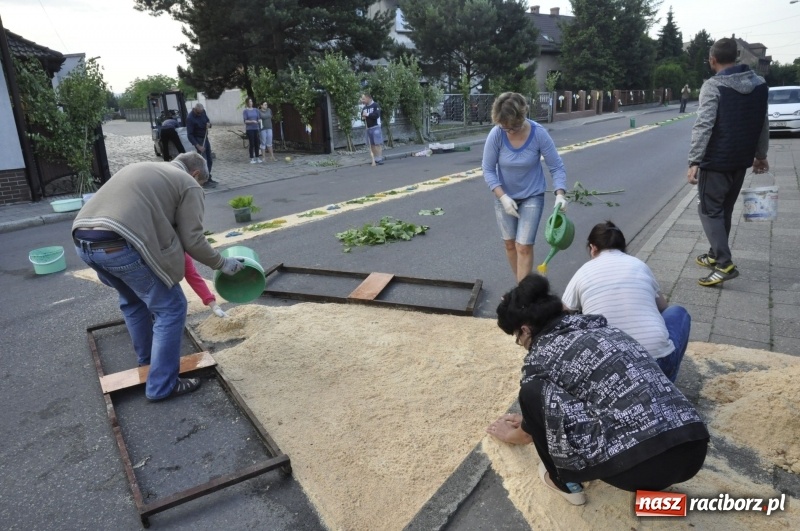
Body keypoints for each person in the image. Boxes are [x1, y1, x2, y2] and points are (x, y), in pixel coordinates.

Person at [486, 274, 709, 506]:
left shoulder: (539, 360)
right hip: (693, 447)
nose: (520, 343)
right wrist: (531, 420)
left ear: (524, 329)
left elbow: (543, 404)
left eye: (517, 337)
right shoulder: (609, 331)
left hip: (640, 470)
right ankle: (666, 503)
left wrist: (519, 433)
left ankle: (564, 484)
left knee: (531, 391)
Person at [72, 152, 245, 401]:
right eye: (202, 183)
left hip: (83, 241)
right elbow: (193, 239)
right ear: (196, 174)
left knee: (134, 302)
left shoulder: (149, 169)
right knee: (172, 307)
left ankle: (148, 364)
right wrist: (222, 263)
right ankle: (162, 386)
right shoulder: (187, 183)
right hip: (119, 244)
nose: (200, 188)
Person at [561, 221, 690, 382]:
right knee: (678, 312)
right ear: (623, 246)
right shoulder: (639, 265)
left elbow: (564, 314)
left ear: (593, 248)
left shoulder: (583, 272)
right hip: (656, 362)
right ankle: (666, 386)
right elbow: (664, 308)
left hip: (608, 370)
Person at [688, 37, 769, 287]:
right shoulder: (759, 84)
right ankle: (714, 254)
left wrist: (694, 160)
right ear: (737, 58)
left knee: (709, 211)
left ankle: (724, 264)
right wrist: (761, 155)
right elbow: (762, 122)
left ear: (713, 60)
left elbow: (704, 125)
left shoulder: (713, 86)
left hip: (716, 162)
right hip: (740, 160)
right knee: (724, 210)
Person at [482, 92, 568, 283]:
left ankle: (523, 297)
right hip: (504, 196)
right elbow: (488, 169)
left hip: (532, 196)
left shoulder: (538, 134)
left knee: (523, 246)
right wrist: (502, 197)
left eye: (513, 127)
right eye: (505, 128)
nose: (509, 131)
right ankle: (521, 287)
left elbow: (556, 166)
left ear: (521, 118)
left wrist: (560, 193)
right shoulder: (497, 134)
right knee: (510, 245)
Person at [184, 253, 227, 318]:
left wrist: (214, 306)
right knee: (176, 304)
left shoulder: (183, 256)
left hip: (170, 280)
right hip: (164, 282)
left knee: (179, 304)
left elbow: (194, 278)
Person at [187, 103, 217, 189]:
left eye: (201, 112)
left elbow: (208, 121)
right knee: (204, 162)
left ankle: (208, 177)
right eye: (199, 112)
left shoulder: (203, 112)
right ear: (195, 110)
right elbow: (189, 135)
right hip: (198, 140)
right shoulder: (190, 118)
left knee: (210, 160)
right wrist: (198, 146)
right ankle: (203, 181)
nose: (200, 113)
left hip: (205, 138)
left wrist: (209, 125)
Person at [360, 92, 384, 166]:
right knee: (372, 144)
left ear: (368, 98)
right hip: (368, 128)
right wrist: (363, 118)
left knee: (377, 144)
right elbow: (363, 118)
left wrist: (367, 115)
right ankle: (375, 158)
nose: (362, 100)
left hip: (376, 127)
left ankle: (379, 158)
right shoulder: (364, 108)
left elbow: (376, 115)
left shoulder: (375, 105)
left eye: (364, 99)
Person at [243, 98, 261, 164]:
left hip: (256, 128)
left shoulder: (256, 110)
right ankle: (251, 158)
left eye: (251, 101)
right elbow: (245, 121)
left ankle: (257, 157)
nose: (251, 102)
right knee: (252, 143)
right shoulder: (245, 111)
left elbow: (258, 118)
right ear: (247, 103)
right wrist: (252, 121)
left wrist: (259, 121)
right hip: (250, 129)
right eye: (249, 101)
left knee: (257, 143)